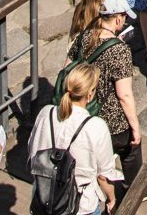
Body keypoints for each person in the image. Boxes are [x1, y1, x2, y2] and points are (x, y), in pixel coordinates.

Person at [63, 0, 141, 191]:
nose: (123, 23)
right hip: (111, 123)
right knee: (132, 149)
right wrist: (135, 127)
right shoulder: (119, 50)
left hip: (81, 112)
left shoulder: (83, 37)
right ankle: (138, 189)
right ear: (117, 18)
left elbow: (66, 69)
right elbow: (124, 95)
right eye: (123, 18)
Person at [28, 63, 119, 214]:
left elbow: (32, 151)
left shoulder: (45, 113)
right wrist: (111, 199)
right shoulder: (96, 126)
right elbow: (103, 176)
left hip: (43, 200)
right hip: (80, 206)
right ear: (90, 94)